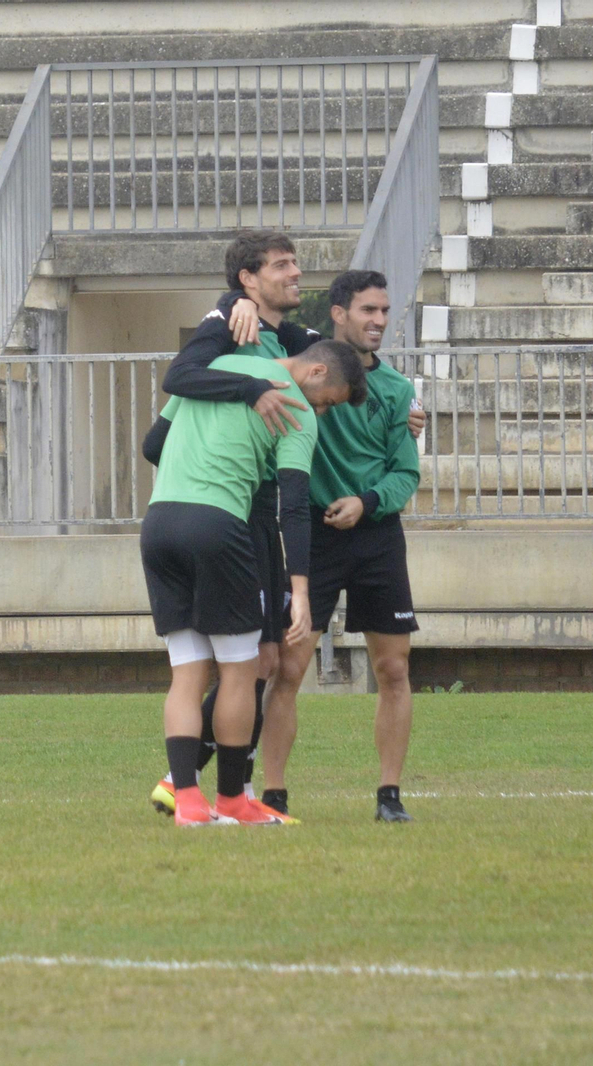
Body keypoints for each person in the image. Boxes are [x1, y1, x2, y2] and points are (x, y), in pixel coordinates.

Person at [146, 233, 425, 818]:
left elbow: (158, 439)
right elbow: (179, 383)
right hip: (246, 524)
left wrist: (373, 488)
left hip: (172, 518)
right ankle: (229, 793)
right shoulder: (234, 340)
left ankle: (204, 789)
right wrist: (247, 395)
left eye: (384, 310)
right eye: (283, 266)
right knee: (249, 663)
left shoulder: (283, 350)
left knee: (238, 663)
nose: (297, 274)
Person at [146, 339, 367, 826]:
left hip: (158, 524)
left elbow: (152, 446)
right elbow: (292, 508)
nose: (322, 412)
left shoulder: (217, 366)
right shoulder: (294, 411)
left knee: (187, 672)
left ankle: (186, 802)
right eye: (327, 400)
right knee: (241, 671)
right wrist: (302, 593)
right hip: (220, 526)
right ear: (313, 373)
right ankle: (231, 800)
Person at [257, 271, 421, 824]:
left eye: (385, 311)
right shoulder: (303, 366)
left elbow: (406, 473)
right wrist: (232, 306)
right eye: (368, 310)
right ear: (338, 313)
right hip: (313, 536)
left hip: (376, 536)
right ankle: (273, 795)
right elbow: (251, 323)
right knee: (289, 667)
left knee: (393, 669)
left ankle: (389, 796)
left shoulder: (398, 391)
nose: (378, 321)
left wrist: (368, 501)